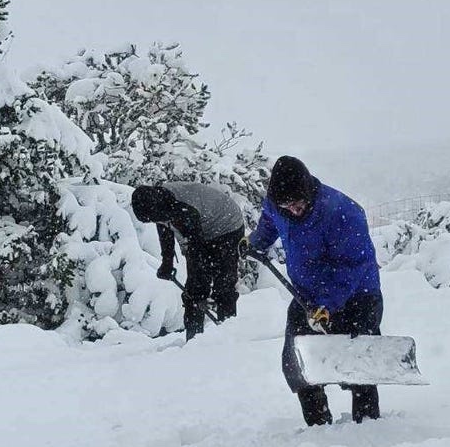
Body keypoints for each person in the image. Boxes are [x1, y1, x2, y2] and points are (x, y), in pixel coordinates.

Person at [248, 155, 382, 426]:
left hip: (357, 295)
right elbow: (270, 221)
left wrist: (328, 304)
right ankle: (318, 427)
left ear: (308, 191)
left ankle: (369, 428)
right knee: (297, 361)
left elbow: (352, 267)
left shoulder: (343, 213)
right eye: (287, 205)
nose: (294, 210)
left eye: (298, 204)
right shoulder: (278, 206)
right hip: (307, 295)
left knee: (357, 362)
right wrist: (255, 242)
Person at [131, 181, 245, 340]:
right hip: (205, 226)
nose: (154, 221)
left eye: (153, 218)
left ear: (158, 210)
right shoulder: (159, 204)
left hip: (227, 226)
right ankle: (193, 340)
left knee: (222, 283)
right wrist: (167, 261)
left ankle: (228, 333)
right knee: (195, 290)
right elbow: (165, 229)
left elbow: (196, 252)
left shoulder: (183, 210)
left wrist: (197, 291)